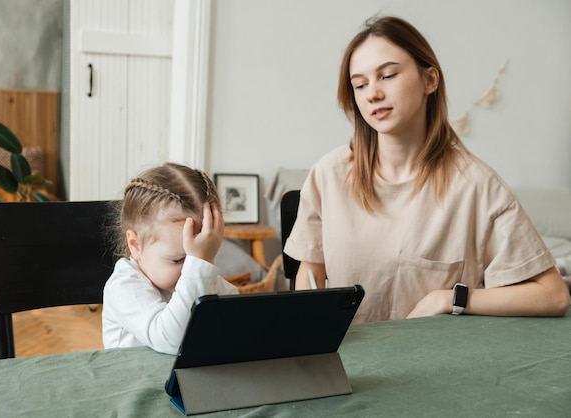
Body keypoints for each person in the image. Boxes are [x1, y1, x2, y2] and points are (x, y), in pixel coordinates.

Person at [284, 15, 570, 323]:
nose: (373, 94)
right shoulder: (328, 174)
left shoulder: (477, 185)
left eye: (388, 76)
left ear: (430, 80)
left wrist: (449, 298)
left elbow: (553, 296)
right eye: (360, 84)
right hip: (345, 361)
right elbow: (310, 274)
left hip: (436, 364)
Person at [102, 163, 238, 354]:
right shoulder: (123, 287)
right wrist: (199, 263)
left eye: (205, 255)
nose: (188, 270)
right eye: (178, 260)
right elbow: (172, 340)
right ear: (135, 245)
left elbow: (234, 315)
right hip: (135, 382)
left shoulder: (197, 278)